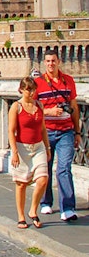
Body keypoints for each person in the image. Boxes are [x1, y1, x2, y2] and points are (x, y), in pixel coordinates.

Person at [35, 48, 81, 221]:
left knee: (64, 169)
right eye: (47, 61)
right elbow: (33, 108)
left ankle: (68, 208)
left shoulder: (68, 81)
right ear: (44, 63)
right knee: (45, 169)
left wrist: (77, 132)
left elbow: (74, 108)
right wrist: (49, 111)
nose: (50, 64)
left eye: (53, 61)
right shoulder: (38, 83)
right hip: (45, 132)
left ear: (58, 61)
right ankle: (46, 202)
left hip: (66, 132)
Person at [9, 76, 51, 229]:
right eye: (28, 90)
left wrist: (47, 148)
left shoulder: (39, 105)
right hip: (22, 148)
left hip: (38, 146)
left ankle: (33, 210)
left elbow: (43, 129)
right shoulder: (16, 106)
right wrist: (14, 152)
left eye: (33, 89)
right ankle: (21, 216)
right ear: (21, 90)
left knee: (43, 180)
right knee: (21, 184)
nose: (31, 93)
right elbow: (11, 131)